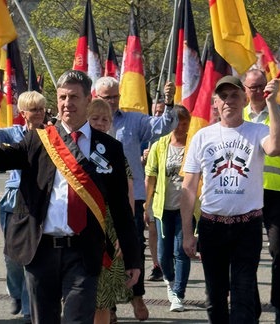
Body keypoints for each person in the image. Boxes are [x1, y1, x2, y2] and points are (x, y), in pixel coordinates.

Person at [0, 70, 141, 323]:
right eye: (62, 97)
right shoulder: (38, 139)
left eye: (74, 97)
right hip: (40, 249)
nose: (67, 103)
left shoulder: (110, 148)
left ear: (88, 99)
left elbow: (121, 209)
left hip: (84, 252)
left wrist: (132, 258)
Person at [181, 76, 280, 323]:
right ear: (215, 102)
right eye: (224, 96)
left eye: (235, 95)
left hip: (246, 227)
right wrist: (188, 233)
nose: (229, 101)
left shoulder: (257, 131)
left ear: (244, 98)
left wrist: (272, 103)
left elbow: (277, 147)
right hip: (211, 227)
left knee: (243, 295)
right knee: (215, 297)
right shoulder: (202, 137)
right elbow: (188, 187)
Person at [95, 76, 177, 320]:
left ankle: (137, 296)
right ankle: (107, 306)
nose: (111, 101)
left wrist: (169, 103)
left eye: (115, 96)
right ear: (95, 97)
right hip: (97, 198)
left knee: (133, 248)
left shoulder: (133, 120)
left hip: (131, 196)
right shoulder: (87, 123)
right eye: (106, 97)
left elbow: (163, 126)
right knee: (103, 251)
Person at [242, 69, 280, 323]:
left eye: (261, 86)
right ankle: (253, 307)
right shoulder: (239, 115)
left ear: (269, 87)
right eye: (252, 87)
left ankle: (279, 304)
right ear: (244, 89)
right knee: (248, 254)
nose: (257, 92)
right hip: (247, 194)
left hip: (276, 193)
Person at [0, 90, 47, 323]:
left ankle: (28, 310)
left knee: (31, 257)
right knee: (11, 257)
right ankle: (15, 292)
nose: (39, 113)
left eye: (42, 108)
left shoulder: (50, 135)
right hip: (13, 200)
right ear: (23, 113)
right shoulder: (14, 133)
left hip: (38, 201)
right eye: (34, 109)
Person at [87, 98, 135, 324]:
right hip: (80, 227)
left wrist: (125, 235)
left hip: (109, 228)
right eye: (94, 118)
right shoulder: (74, 148)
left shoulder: (116, 152)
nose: (100, 123)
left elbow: (127, 196)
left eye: (105, 119)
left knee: (102, 297)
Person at [145, 105, 192, 313]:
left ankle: (178, 294)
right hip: (163, 208)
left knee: (181, 251)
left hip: (186, 208)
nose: (181, 128)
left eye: (184, 123)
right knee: (164, 254)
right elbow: (151, 178)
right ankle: (170, 282)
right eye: (177, 123)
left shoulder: (194, 144)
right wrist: (146, 207)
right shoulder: (159, 145)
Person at [143, 100, 166, 283]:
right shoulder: (147, 133)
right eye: (157, 112)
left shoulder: (175, 134)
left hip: (172, 192)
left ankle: (169, 261)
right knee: (153, 230)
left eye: (163, 111)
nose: (160, 115)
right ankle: (157, 265)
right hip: (151, 189)